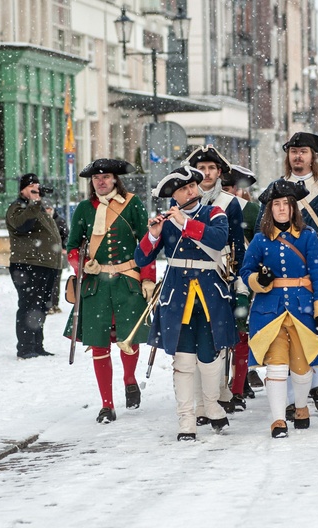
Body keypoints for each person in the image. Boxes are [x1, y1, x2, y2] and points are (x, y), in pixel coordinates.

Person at [135, 166, 237, 441]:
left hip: (209, 296)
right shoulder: (166, 221)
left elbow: (218, 239)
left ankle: (212, 404)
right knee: (182, 360)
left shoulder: (213, 213)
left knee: (210, 355)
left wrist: (185, 223)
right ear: (174, 196)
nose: (191, 191)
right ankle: (186, 420)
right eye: (183, 189)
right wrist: (155, 234)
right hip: (177, 298)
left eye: (192, 186)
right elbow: (142, 259)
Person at [65, 159, 156, 423]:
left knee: (128, 340)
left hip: (127, 282)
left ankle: (129, 378)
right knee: (98, 345)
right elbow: (72, 248)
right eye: (96, 178)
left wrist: (148, 279)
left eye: (105, 177)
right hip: (95, 285)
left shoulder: (132, 204)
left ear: (115, 179)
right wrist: (82, 264)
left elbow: (147, 244)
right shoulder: (83, 209)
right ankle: (107, 404)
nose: (101, 181)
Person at [240, 179, 318, 438]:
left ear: (293, 209)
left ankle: (301, 406)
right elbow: (245, 271)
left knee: (302, 369)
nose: (281, 209)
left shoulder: (308, 236)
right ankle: (278, 420)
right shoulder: (260, 240)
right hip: (269, 312)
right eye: (277, 205)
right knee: (277, 367)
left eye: (286, 205)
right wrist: (260, 280)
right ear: (270, 209)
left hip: (303, 311)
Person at [259, 131, 318, 415]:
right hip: (282, 275)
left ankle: (315, 383)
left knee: (314, 332)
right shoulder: (275, 190)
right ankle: (292, 399)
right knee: (284, 336)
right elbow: (261, 231)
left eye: (303, 152)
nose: (297, 156)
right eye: (293, 151)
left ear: (313, 157)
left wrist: (313, 245)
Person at [183, 145, 246, 414]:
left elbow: (237, 245)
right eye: (202, 168)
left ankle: (218, 389)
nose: (206, 173)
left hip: (222, 274)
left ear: (220, 172)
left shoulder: (230, 204)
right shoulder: (182, 200)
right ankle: (201, 401)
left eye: (211, 168)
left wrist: (240, 280)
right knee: (193, 343)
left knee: (219, 339)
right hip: (189, 277)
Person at [6, 174, 62, 359]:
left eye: (37, 185)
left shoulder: (37, 208)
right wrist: (35, 203)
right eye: (31, 186)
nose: (36, 189)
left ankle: (37, 345)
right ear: (22, 189)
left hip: (45, 264)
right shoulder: (17, 207)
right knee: (29, 306)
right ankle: (25, 347)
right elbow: (22, 226)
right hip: (28, 265)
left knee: (41, 306)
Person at [221, 165, 260, 403]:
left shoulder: (251, 210)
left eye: (229, 188)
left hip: (245, 275)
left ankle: (239, 384)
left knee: (242, 332)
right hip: (219, 274)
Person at [43, 200, 69, 315]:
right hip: (45, 257)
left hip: (57, 256)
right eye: (45, 209)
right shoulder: (41, 221)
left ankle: (54, 304)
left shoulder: (59, 221)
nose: (48, 211)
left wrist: (64, 247)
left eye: (49, 209)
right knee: (46, 281)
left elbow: (67, 235)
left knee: (56, 281)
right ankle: (48, 304)